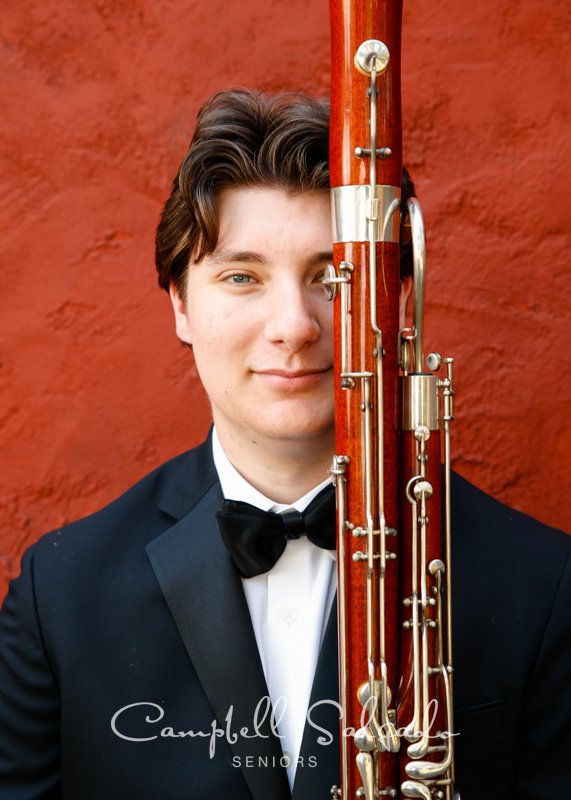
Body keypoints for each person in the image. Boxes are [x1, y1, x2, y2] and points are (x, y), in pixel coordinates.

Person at [0, 90, 569, 800]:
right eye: (242, 277)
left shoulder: (542, 587)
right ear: (180, 304)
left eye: (334, 279)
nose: (293, 326)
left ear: (394, 302)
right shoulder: (61, 596)